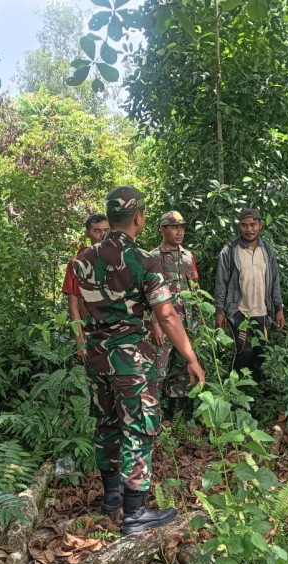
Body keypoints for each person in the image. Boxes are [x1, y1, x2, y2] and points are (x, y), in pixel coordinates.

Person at [74, 186, 206, 535]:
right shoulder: (143, 260)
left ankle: (111, 499)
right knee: (139, 428)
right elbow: (167, 315)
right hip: (130, 358)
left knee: (106, 425)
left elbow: (81, 309)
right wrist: (190, 357)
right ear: (139, 217)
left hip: (96, 357)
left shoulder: (83, 260)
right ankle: (134, 513)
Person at [214, 208, 284, 383]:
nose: (249, 229)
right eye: (244, 225)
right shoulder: (229, 251)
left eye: (253, 225)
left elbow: (274, 281)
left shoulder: (267, 251)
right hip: (239, 312)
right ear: (239, 226)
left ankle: (258, 396)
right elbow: (221, 283)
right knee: (242, 353)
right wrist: (219, 311)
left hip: (262, 311)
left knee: (261, 354)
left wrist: (279, 308)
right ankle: (236, 392)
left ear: (260, 225)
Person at [149, 210, 200, 419]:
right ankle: (153, 413)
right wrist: (154, 324)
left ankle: (175, 413)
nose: (179, 232)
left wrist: (196, 321)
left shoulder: (188, 256)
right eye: (173, 227)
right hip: (163, 323)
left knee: (181, 369)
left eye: (181, 227)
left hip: (185, 322)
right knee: (158, 369)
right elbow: (148, 293)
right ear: (163, 230)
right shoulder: (153, 257)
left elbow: (195, 289)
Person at [62, 214, 109, 359]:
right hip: (92, 333)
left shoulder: (119, 259)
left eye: (106, 230)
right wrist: (79, 342)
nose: (102, 235)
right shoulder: (76, 263)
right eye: (97, 231)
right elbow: (74, 307)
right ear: (87, 233)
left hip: (118, 333)